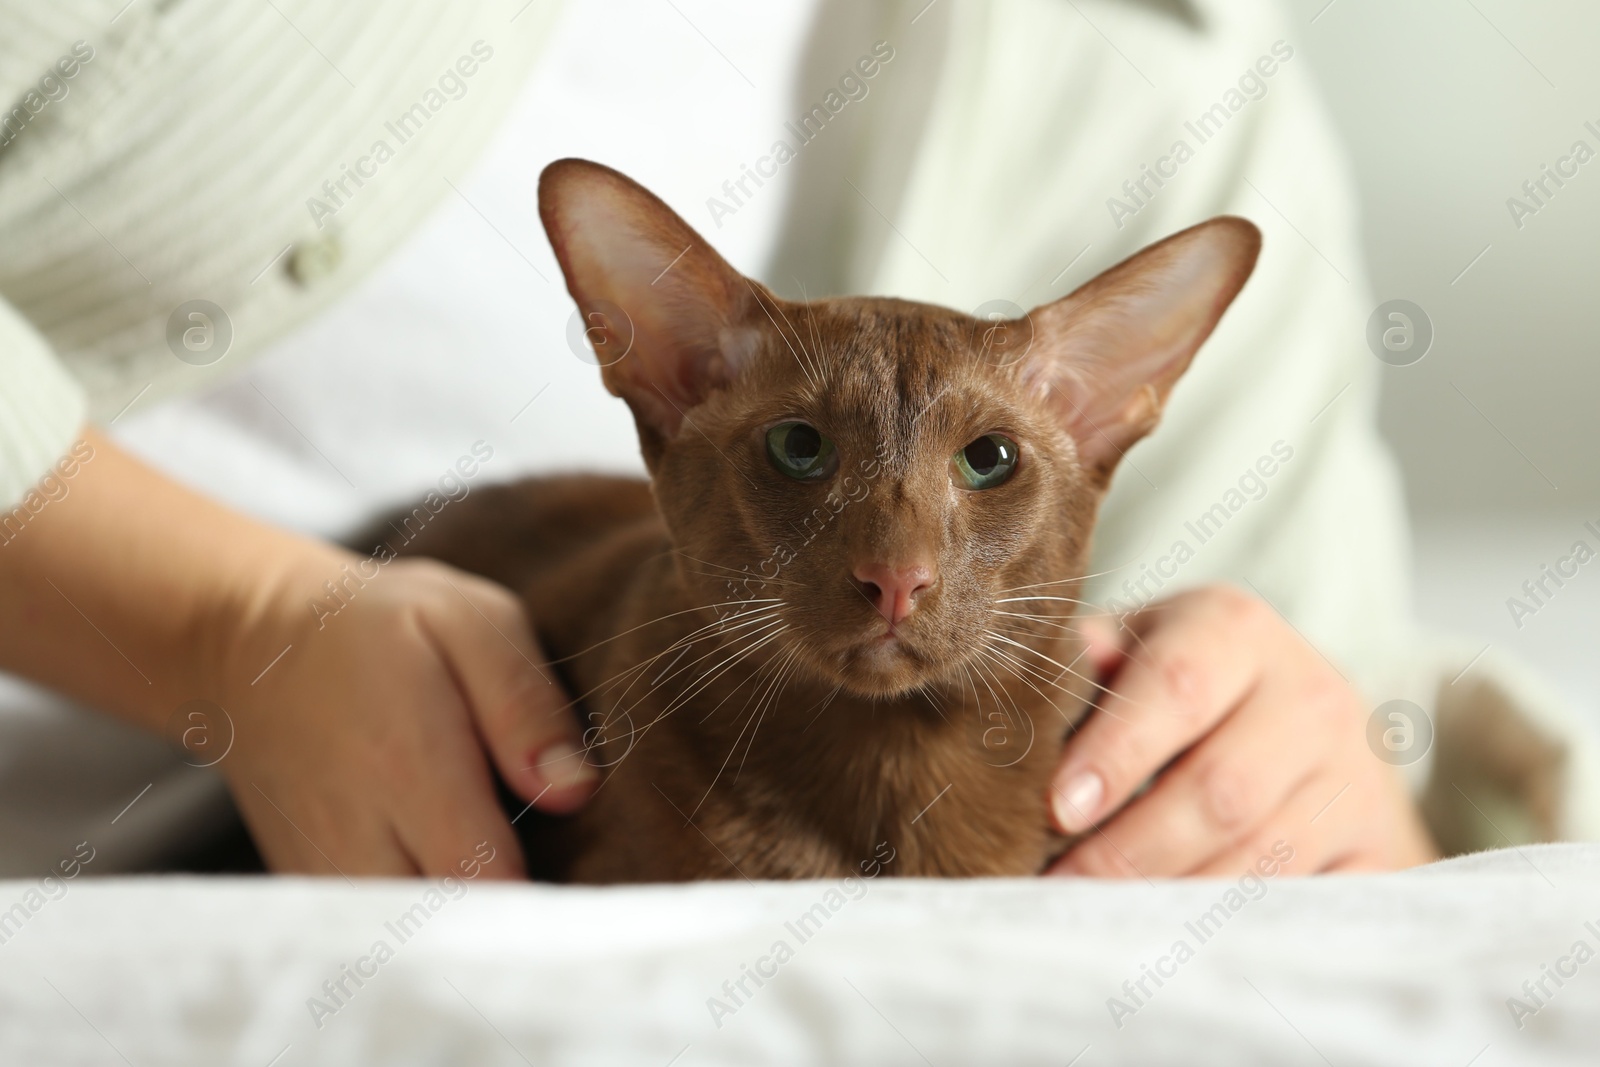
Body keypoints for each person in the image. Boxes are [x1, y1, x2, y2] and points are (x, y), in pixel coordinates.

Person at [0, 0, 1591, 880]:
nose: (900, 571)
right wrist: (233, 628)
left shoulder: (1182, 71)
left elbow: (1335, 695)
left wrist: (1329, 788)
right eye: (803, 459)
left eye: (987, 469)